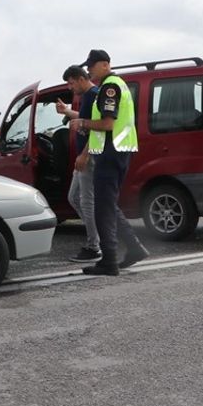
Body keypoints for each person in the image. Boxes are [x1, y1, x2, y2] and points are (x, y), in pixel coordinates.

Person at [69, 49, 149, 275]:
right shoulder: (115, 85)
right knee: (107, 205)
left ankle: (109, 261)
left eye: (92, 65)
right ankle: (133, 248)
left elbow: (107, 124)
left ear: (105, 64)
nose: (89, 69)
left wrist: (82, 123)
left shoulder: (109, 87)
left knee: (103, 208)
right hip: (116, 151)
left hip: (111, 152)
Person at [56, 65, 101, 263]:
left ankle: (94, 246)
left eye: (72, 83)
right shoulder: (86, 97)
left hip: (89, 157)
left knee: (85, 201)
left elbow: (98, 128)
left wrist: (85, 155)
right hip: (83, 157)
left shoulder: (93, 95)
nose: (70, 88)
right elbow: (85, 119)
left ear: (81, 79)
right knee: (73, 197)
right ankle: (98, 236)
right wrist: (67, 111)